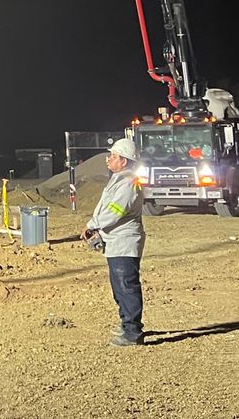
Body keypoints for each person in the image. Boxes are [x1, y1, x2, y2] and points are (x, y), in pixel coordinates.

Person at [81, 137, 147, 346]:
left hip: (124, 242)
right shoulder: (120, 179)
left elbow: (115, 211)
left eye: (113, 156)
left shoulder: (128, 183)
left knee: (126, 287)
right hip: (116, 241)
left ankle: (132, 333)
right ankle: (127, 325)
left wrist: (93, 224)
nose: (108, 159)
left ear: (124, 161)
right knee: (119, 287)